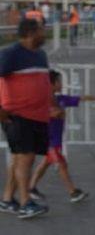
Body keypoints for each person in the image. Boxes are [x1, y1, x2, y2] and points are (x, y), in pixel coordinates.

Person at [28, 70, 95, 204]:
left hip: (55, 140)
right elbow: (46, 115)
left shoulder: (60, 99)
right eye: (59, 81)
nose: (61, 84)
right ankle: (73, 192)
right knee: (62, 164)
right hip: (48, 141)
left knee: (45, 163)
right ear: (51, 84)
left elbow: (81, 98)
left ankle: (31, 188)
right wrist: (54, 113)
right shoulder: (42, 102)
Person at [0, 19, 52, 219]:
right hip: (17, 115)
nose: (44, 33)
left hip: (38, 116)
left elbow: (44, 83)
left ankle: (7, 199)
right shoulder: (11, 54)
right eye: (42, 30)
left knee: (20, 158)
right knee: (26, 157)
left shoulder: (40, 55)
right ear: (31, 32)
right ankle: (25, 203)